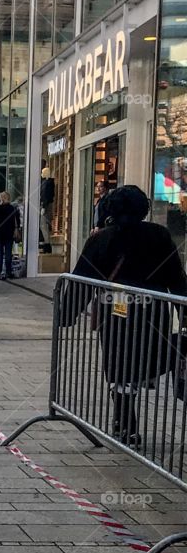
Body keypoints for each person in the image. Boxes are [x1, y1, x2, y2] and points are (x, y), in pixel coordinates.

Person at [71, 184, 187, 446]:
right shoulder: (159, 235)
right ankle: (125, 422)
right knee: (146, 360)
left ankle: (126, 423)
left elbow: (82, 277)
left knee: (120, 366)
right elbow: (175, 276)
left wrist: (68, 312)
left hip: (115, 314)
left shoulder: (102, 238)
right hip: (153, 313)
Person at [0, 191, 20, 280]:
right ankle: (8, 272)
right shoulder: (12, 209)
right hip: (9, 234)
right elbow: (17, 222)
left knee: (0, 254)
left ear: (1, 198)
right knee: (8, 254)